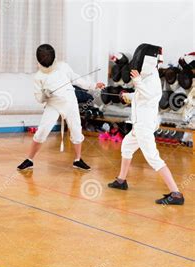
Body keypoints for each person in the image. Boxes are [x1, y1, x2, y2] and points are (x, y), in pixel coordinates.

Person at [108, 43, 184, 205]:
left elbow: (151, 95)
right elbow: (142, 95)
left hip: (144, 125)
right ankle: (121, 181)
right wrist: (129, 95)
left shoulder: (152, 78)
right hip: (139, 124)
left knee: (153, 158)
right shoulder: (146, 77)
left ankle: (176, 193)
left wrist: (137, 82)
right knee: (127, 147)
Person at [17, 44, 105, 172]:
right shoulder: (38, 77)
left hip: (70, 102)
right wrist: (44, 95)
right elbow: (38, 98)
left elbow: (76, 79)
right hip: (53, 105)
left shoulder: (63, 66)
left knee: (76, 130)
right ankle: (29, 160)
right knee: (42, 131)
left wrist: (93, 85)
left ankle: (78, 159)